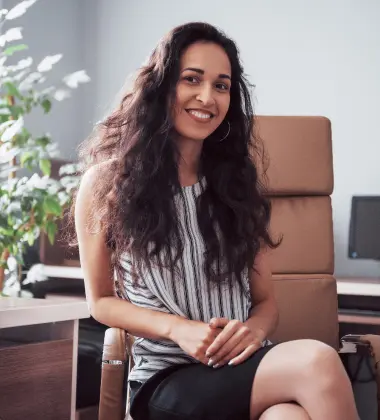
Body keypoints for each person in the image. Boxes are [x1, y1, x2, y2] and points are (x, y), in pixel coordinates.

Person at [74, 22, 359, 420]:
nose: (207, 97)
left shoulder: (238, 186)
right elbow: (100, 301)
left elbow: (265, 303)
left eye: (221, 86)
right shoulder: (106, 183)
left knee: (287, 417)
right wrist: (178, 329)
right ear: (161, 85)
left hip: (244, 366)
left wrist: (254, 331)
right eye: (192, 79)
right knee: (317, 362)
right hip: (168, 378)